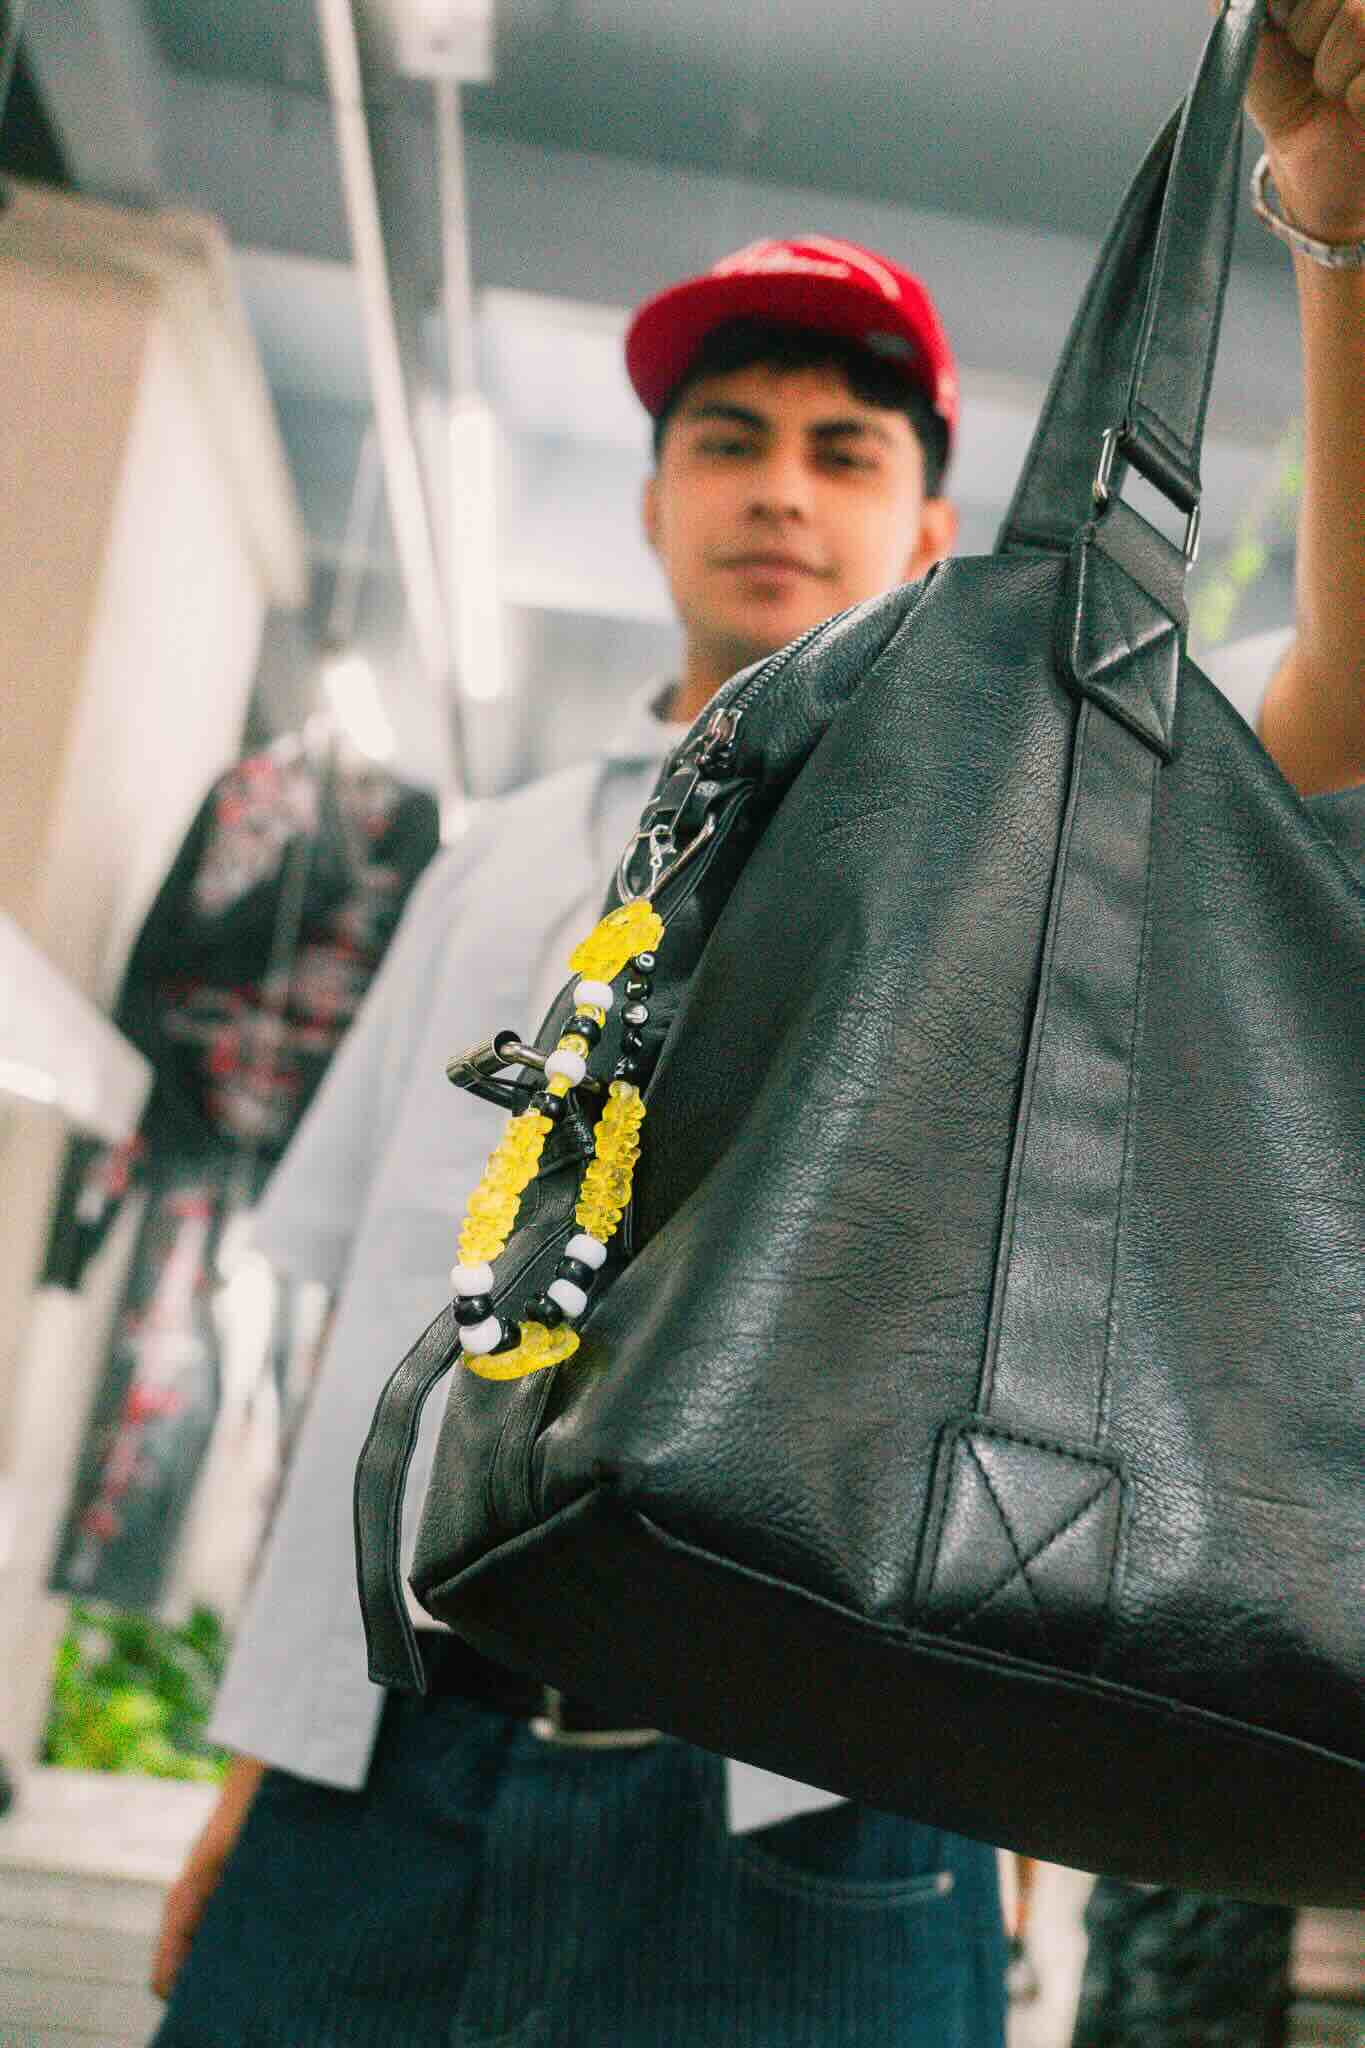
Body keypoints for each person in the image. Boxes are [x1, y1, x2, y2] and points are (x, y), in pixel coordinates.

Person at [150, 6, 1365, 2037]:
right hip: (371, 1788)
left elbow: (1351, 685)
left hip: (815, 1809)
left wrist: (1331, 223)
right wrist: (250, 1771)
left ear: (923, 526)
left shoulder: (1059, 823)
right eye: (726, 437)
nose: (776, 489)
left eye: (844, 447)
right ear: (643, 506)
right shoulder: (483, 863)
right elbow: (375, 1320)